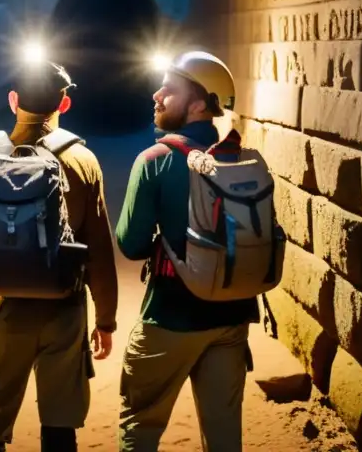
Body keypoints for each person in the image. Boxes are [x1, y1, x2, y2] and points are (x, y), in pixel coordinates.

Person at [0, 59, 120, 452]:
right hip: (63, 309)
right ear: (63, 105)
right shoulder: (83, 161)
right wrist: (106, 319)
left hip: (4, 307)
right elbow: (99, 251)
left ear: (14, 100)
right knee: (60, 422)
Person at [115, 51, 258, 452]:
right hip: (232, 319)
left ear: (198, 103)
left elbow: (131, 244)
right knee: (224, 435)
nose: (157, 95)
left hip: (171, 317)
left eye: (169, 89)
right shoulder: (242, 158)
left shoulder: (155, 162)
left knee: (139, 426)